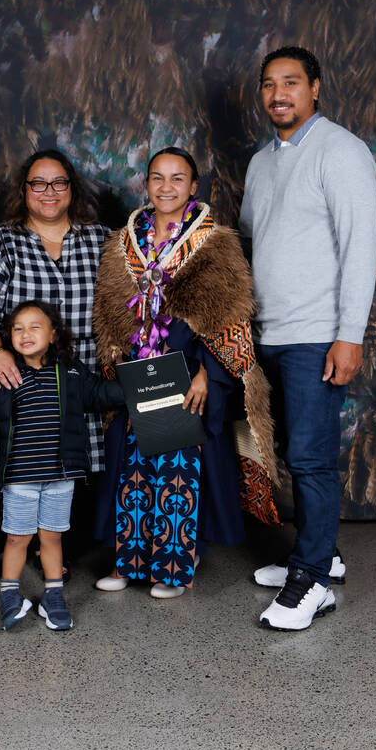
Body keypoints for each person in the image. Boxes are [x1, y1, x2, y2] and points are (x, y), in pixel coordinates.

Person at [93, 147, 279, 600]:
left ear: (193, 186)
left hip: (189, 375)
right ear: (146, 183)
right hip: (138, 374)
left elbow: (231, 316)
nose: (166, 187)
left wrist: (206, 375)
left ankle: (174, 566)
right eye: (157, 177)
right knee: (131, 470)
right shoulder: (123, 244)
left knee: (178, 469)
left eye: (178, 178)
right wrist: (121, 373)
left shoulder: (216, 242)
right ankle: (128, 560)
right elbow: (108, 313)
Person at [240, 46, 376, 631]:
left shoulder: (341, 151)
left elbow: (361, 248)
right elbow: (250, 244)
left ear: (315, 88)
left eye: (291, 83)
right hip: (268, 334)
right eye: (270, 85)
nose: (279, 95)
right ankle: (321, 552)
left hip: (316, 336)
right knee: (288, 454)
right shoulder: (261, 161)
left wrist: (348, 336)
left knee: (311, 459)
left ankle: (313, 580)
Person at [0, 150, 109, 592]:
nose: (48, 192)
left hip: (73, 383)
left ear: (72, 189)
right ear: (24, 191)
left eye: (58, 183)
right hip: (13, 377)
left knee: (66, 465)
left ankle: (50, 550)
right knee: (0, 464)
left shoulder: (100, 240)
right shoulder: (0, 242)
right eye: (38, 184)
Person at [0, 300, 124, 631]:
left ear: (53, 334)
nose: (25, 333)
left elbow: (104, 394)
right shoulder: (5, 376)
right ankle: (10, 595)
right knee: (16, 539)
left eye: (35, 327)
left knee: (51, 539)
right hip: (20, 479)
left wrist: (147, 382)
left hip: (59, 478)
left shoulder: (73, 372)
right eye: (18, 328)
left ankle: (53, 597)